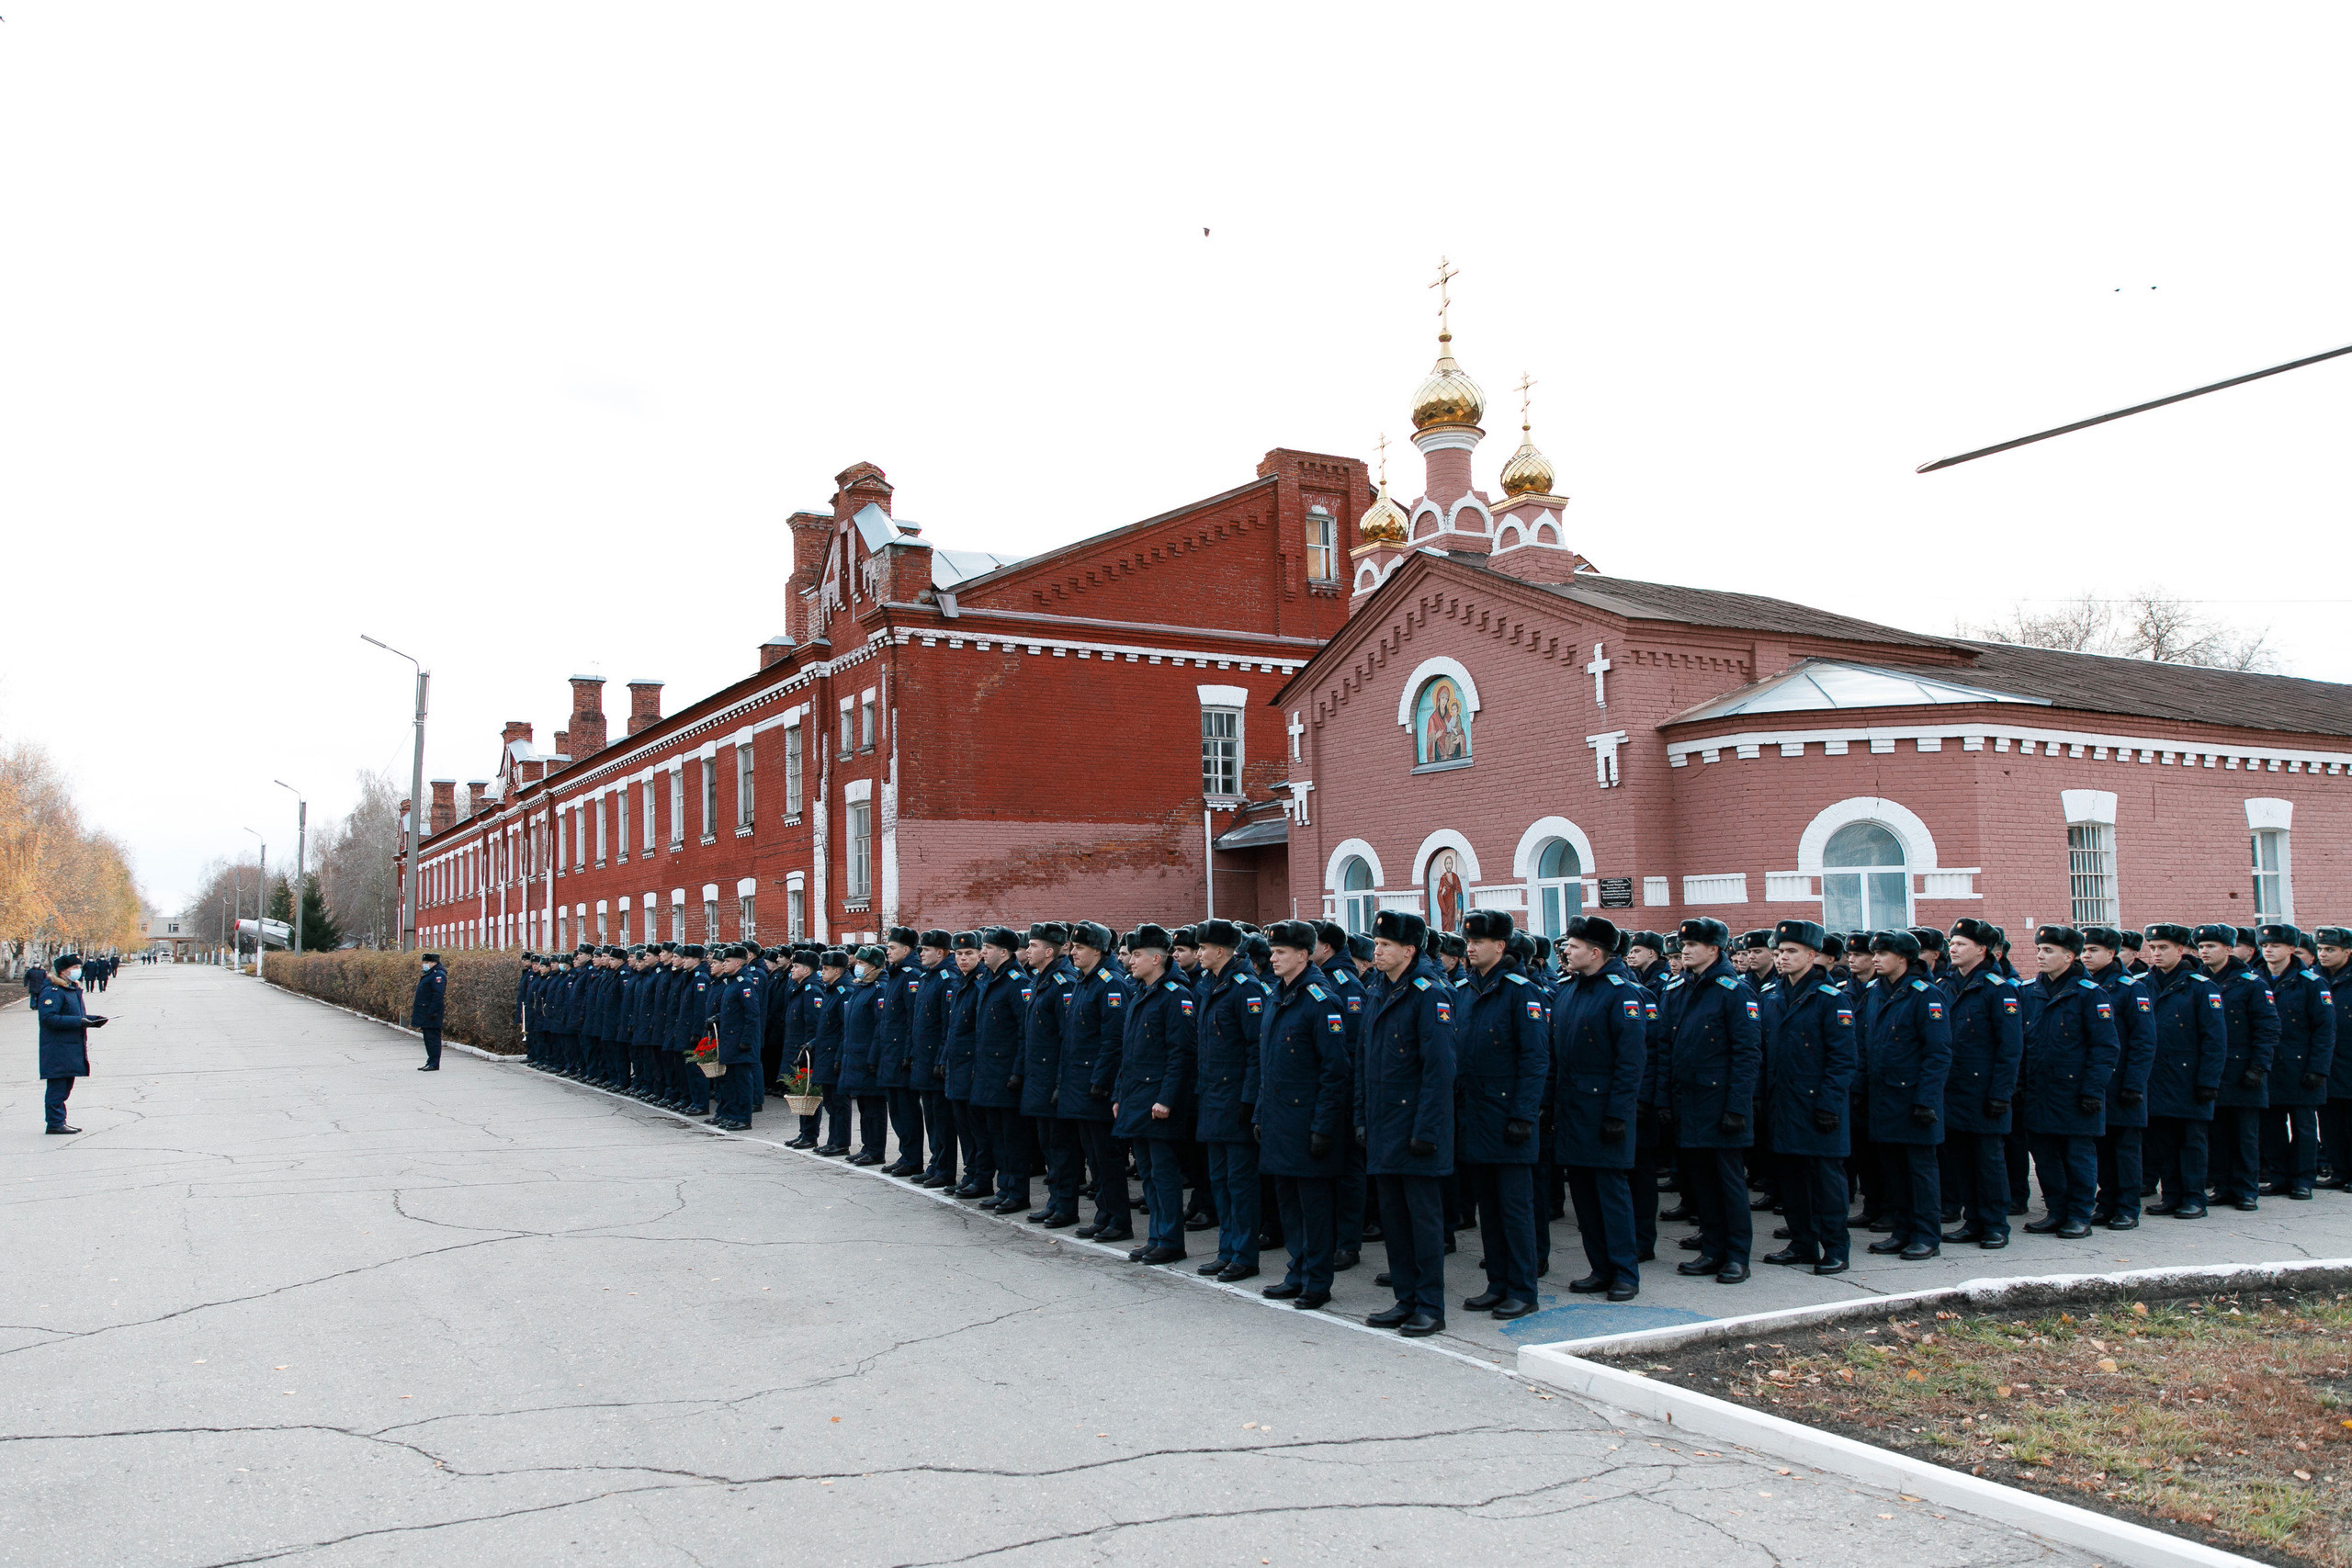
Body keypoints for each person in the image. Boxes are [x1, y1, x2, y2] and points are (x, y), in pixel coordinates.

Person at [1357, 909, 1455, 1335]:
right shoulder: (1379, 990)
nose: (1376, 951)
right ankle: (1404, 1298)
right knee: (1395, 1220)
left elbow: (1440, 1072)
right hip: (1383, 1125)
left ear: (1409, 950)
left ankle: (1430, 1305)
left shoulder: (1429, 994)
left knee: (1424, 1222)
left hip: (1417, 1129)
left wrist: (1426, 1130)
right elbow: (1365, 1061)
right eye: (1376, 945)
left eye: (1385, 946)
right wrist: (1361, 1117)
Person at [1551, 914, 1647, 1301]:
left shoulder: (1622, 993)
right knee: (1585, 1197)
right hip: (1573, 1109)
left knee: (1610, 1194)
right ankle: (1600, 1268)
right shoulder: (1569, 989)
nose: (1565, 951)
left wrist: (1617, 1114)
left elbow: (1631, 1062)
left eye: (1573, 946)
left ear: (1595, 952)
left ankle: (1625, 1272)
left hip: (1604, 1111)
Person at [1662, 918, 1762, 1283]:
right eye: (1683, 945)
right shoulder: (1677, 989)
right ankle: (1712, 1248)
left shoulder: (1734, 991)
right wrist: (1664, 1101)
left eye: (1692, 945)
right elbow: (1665, 1049)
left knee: (1728, 1184)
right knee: (1701, 1182)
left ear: (1714, 950)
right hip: (1688, 1103)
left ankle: (1737, 1256)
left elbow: (1748, 1054)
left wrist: (1738, 1107)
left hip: (1721, 1105)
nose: (1684, 950)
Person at [1256, 921, 1350, 1309]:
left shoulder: (1319, 999)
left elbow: (1336, 1069)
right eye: (1272, 951)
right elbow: (1268, 1064)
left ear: (1303, 955)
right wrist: (1261, 1113)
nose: (1272, 957)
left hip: (1308, 1122)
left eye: (1280, 952)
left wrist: (1324, 1126)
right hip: (1280, 1121)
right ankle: (1297, 1271)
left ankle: (1317, 1281)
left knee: (1314, 1209)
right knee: (1290, 1206)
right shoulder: (1278, 994)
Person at [1758, 919, 1857, 1275]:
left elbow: (1843, 1059)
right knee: (1793, 1180)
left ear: (1812, 956)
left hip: (1819, 1106)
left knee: (1827, 1183)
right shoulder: (1771, 996)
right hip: (1784, 1104)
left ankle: (1835, 1249)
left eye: (1790, 952)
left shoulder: (1832, 1000)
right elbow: (1763, 1053)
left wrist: (1830, 1104)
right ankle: (1801, 1243)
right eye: (1779, 952)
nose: (1781, 958)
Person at [2018, 925, 2119, 1237]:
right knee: (2045, 1157)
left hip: (2075, 1092)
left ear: (2069, 956)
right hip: (2039, 1091)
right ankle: (2056, 1211)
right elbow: (2019, 1045)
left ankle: (2079, 1215)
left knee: (2077, 1157)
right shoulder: (2028, 992)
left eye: (2048, 951)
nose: (2040, 955)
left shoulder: (2090, 995)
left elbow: (2105, 1047)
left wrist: (2092, 1089)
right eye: (2039, 949)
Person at [1863, 930, 1951, 1261]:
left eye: (1882, 954)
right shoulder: (1876, 991)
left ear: (1902, 959)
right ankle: (1901, 1231)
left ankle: (1926, 1235)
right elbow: (1867, 1043)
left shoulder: (1925, 995)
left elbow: (1938, 1053)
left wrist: (1926, 1101)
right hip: (1884, 1097)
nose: (1875, 959)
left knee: (1920, 1171)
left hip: (1914, 1100)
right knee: (1893, 1170)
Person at [1189, 919, 1265, 1281]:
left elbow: (1256, 1051)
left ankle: (1245, 1255)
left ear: (1220, 951)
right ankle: (1227, 1249)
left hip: (1235, 1101)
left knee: (1241, 1184)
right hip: (1212, 1099)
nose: (1198, 953)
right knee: (1219, 1181)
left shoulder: (1245, 988)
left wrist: (1248, 1101)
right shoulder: (1209, 984)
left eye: (1203, 948)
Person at [1115, 924, 1196, 1264]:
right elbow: (1129, 1052)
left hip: (1158, 1102)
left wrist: (1166, 1099)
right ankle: (1156, 1236)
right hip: (1136, 1097)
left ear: (1156, 958)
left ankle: (1171, 1241)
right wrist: (1119, 1094)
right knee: (1148, 1172)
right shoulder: (1140, 992)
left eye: (1136, 955)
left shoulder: (1176, 995)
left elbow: (1182, 1054)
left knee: (1163, 1175)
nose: (1131, 961)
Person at [1938, 919, 2021, 1247]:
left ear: (1981, 949)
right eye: (1951, 943)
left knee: (1988, 1161)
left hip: (1985, 1091)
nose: (1952, 949)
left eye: (1960, 944)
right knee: (1960, 1160)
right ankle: (1973, 1220)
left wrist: (2002, 1092)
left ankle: (1995, 1224)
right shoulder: (1944, 986)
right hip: (1952, 1089)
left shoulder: (1999, 989)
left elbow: (2011, 1047)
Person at [2142, 924, 2227, 1219]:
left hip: (2189, 1079)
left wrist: (2208, 1081)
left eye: (2163, 948)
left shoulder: (2201, 987)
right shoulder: (2143, 984)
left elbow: (2215, 1039)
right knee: (2161, 1141)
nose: (2156, 953)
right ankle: (2172, 1195)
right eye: (2152, 948)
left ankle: (2194, 1197)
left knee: (2192, 1141)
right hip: (2156, 1077)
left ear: (2180, 950)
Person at [2197, 922, 2279, 1211]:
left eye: (2211, 946)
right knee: (2216, 1133)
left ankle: (2246, 1190)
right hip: (2211, 1069)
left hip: (2243, 1069)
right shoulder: (2197, 980)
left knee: (2245, 1134)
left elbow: (2267, 1027)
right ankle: (2222, 1186)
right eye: (2202, 946)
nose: (2204, 951)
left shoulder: (2251, 981)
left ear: (2229, 949)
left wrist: (2259, 1066)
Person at [2080, 927, 2155, 1229]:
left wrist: (2134, 1084)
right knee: (2102, 1146)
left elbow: (2143, 1041)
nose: (2086, 955)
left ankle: (2127, 1206)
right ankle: (2106, 1201)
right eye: (2084, 950)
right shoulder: (2084, 986)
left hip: (2124, 1082)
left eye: (2093, 950)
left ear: (2111, 954)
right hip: (2098, 1082)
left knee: (2125, 1148)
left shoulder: (2130, 988)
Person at [1059, 922, 1130, 1239]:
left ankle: (1118, 1219)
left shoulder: (1109, 984)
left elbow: (1113, 1040)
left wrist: (1101, 1081)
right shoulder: (1084, 981)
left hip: (1096, 1087)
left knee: (1107, 1157)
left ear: (1098, 951)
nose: (1073, 952)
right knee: (1095, 1158)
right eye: (1073, 947)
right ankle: (1104, 1215)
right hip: (1080, 1084)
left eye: (1080, 948)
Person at [2257, 923, 2335, 1200]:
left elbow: (2325, 1030)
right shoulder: (2256, 979)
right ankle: (2278, 1177)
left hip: (2301, 1065)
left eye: (2275, 945)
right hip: (2269, 1064)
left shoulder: (2312, 982)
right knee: (2272, 1126)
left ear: (2291, 949)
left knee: (2303, 1126)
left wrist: (2317, 1068)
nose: (2268, 950)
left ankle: (2303, 1179)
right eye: (2265, 945)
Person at [37, 953, 106, 1134]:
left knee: (65, 1087)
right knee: (57, 1088)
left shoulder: (70, 989)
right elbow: (48, 1018)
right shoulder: (53, 991)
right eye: (73, 968)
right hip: (57, 1048)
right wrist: (79, 1022)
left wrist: (93, 1020)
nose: (77, 971)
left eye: (78, 967)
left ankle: (59, 1121)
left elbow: (74, 1016)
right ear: (62, 971)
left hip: (70, 1047)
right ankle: (55, 1123)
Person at [2318, 927, 2352, 1191]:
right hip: (2327, 1060)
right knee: (2330, 1122)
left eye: (2330, 950)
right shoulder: (2317, 978)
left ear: (2347, 952)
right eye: (2320, 950)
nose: (2323, 954)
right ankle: (2339, 1171)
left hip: (2348, 1059)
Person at [412, 953, 447, 1070]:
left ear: (434, 963)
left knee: (433, 1038)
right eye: (424, 962)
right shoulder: (430, 973)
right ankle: (430, 1061)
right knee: (428, 1037)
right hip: (425, 1011)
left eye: (427, 962)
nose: (425, 965)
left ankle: (434, 1063)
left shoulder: (438, 975)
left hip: (432, 1013)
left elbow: (438, 995)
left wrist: (432, 1011)